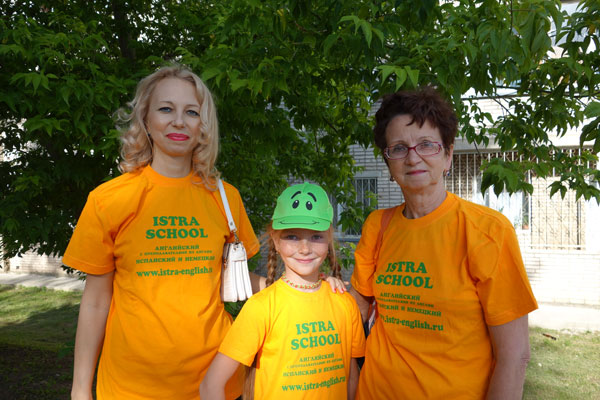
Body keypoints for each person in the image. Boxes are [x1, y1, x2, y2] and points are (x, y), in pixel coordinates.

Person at [64, 65, 263, 399]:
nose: (179, 121)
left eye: (192, 112)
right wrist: (80, 388)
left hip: (215, 385)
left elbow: (238, 278)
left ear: (203, 125)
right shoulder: (108, 199)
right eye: (166, 109)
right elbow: (96, 302)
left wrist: (306, 286)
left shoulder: (225, 198)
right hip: (130, 388)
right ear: (145, 118)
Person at [349, 87, 538, 399]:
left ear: (448, 155)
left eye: (427, 145)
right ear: (388, 162)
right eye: (398, 148)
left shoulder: (487, 231)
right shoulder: (377, 225)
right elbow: (356, 309)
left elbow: (514, 356)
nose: (413, 158)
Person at [200, 182, 366, 400]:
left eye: (316, 236)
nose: (305, 248)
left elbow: (351, 378)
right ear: (275, 241)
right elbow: (210, 386)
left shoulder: (345, 303)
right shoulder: (260, 307)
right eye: (292, 237)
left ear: (329, 240)